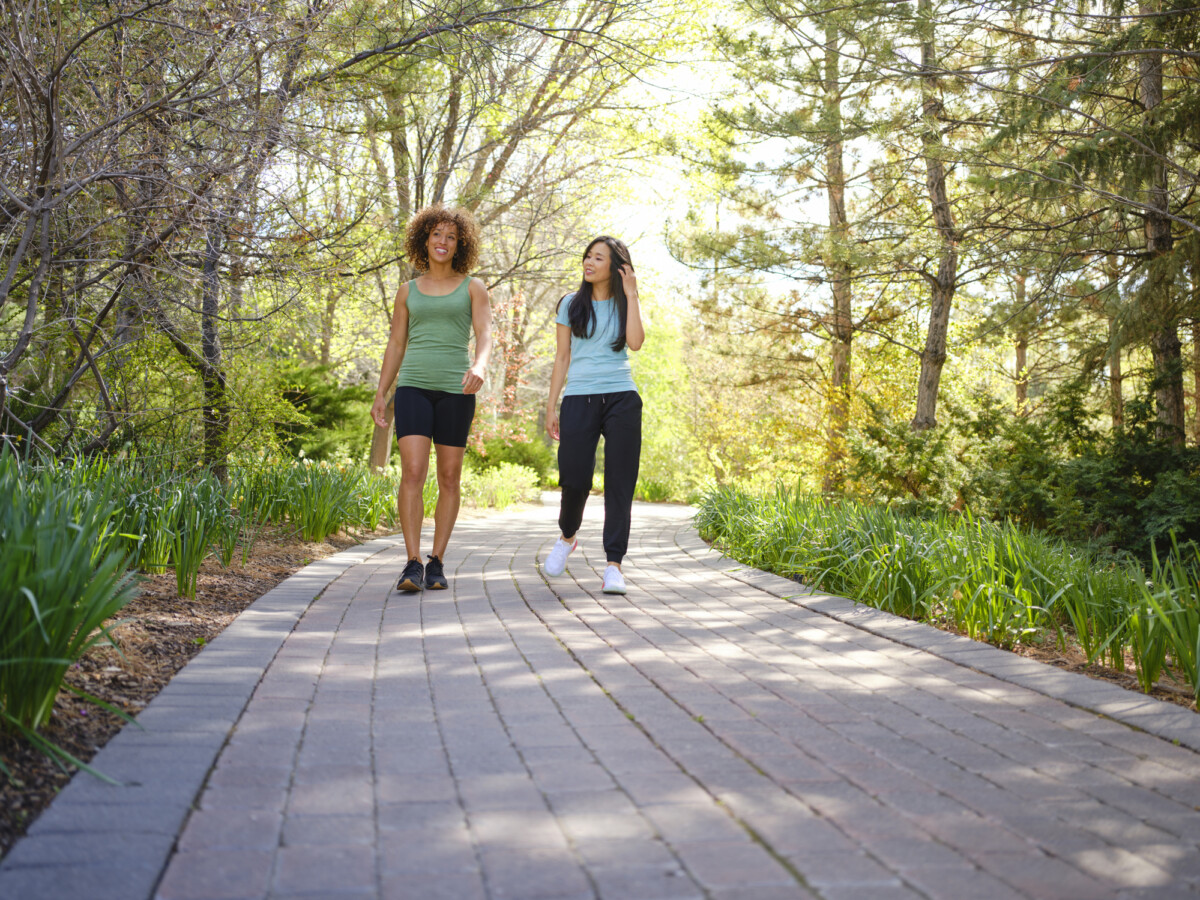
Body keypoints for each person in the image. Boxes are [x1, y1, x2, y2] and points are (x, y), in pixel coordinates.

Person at [371, 206, 492, 592]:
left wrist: (481, 366)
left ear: (461, 245)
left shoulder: (473, 287)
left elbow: (486, 335)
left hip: (457, 389)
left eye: (451, 237)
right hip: (414, 386)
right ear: (425, 239)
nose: (443, 242)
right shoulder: (407, 290)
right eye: (437, 234)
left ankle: (437, 560)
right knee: (413, 470)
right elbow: (396, 342)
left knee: (449, 476)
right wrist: (381, 391)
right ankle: (411, 563)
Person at [542, 236, 645, 594]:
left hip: (622, 397)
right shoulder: (570, 304)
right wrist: (551, 404)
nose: (588, 262)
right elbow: (561, 358)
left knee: (620, 482)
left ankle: (614, 565)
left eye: (597, 257)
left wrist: (631, 293)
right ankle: (567, 536)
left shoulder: (624, 302)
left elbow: (635, 343)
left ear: (615, 267)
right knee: (574, 478)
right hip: (579, 398)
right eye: (587, 256)